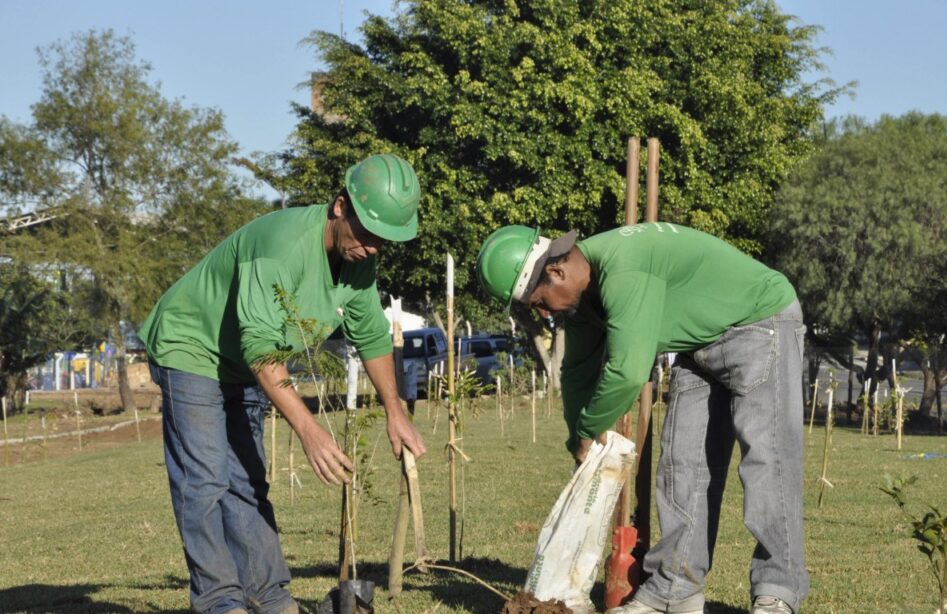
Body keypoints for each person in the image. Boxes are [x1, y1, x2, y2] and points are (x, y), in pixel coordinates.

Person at [140, 153, 427, 614]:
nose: (374, 247)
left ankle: (269, 596)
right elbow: (263, 351)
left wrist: (396, 411)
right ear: (339, 207)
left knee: (248, 482)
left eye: (385, 240)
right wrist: (310, 431)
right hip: (191, 348)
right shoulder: (282, 247)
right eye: (370, 233)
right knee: (207, 479)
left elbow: (371, 333)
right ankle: (219, 602)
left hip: (243, 365)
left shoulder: (357, 259)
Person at [476, 223, 809, 614]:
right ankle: (673, 590)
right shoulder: (583, 300)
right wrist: (577, 441)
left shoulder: (623, 268)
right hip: (699, 343)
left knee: (768, 460)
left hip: (760, 321)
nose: (544, 312)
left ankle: (777, 591)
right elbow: (578, 371)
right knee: (681, 465)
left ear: (556, 271)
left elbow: (628, 372)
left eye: (539, 301)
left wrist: (589, 427)